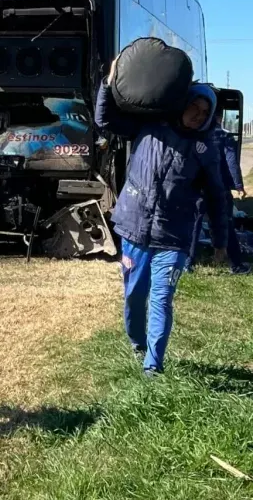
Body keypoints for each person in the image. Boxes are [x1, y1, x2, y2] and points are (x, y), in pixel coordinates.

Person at [95, 60, 229, 376]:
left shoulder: (205, 149)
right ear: (182, 104)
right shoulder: (149, 126)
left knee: (162, 298)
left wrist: (221, 242)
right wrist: (108, 84)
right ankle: (137, 342)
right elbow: (105, 119)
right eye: (194, 107)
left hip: (173, 236)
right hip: (135, 228)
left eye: (205, 112)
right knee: (134, 296)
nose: (198, 115)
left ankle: (153, 366)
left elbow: (217, 197)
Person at [187, 108, 250, 274]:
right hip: (219, 188)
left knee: (194, 223)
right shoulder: (225, 136)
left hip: (199, 188)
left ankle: (188, 263)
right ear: (220, 118)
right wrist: (238, 185)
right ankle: (236, 264)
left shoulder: (195, 134)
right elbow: (231, 162)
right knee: (225, 224)